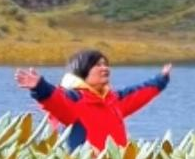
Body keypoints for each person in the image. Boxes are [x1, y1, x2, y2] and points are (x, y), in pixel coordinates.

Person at [14, 48, 171, 151]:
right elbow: (55, 100)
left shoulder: (113, 100)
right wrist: (39, 87)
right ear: (81, 70)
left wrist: (161, 79)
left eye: (106, 64)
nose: (105, 68)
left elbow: (139, 92)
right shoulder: (73, 99)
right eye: (97, 65)